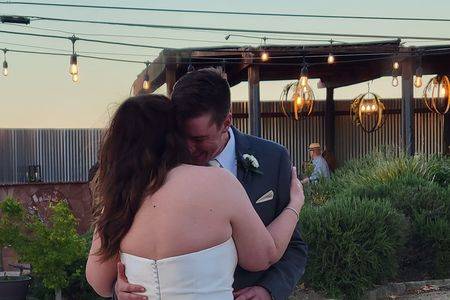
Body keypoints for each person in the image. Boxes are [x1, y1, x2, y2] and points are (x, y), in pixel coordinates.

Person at [86, 92, 305, 300]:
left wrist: (119, 286)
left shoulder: (118, 199)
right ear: (173, 135)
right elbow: (262, 257)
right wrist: (294, 205)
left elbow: (98, 282)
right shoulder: (219, 182)